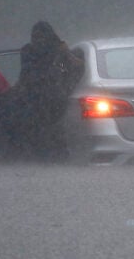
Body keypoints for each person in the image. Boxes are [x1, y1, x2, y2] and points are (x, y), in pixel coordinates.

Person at [7, 21, 84, 161]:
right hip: (45, 97)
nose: (39, 40)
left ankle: (43, 156)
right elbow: (76, 66)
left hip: (41, 98)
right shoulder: (53, 49)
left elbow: (24, 74)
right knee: (47, 130)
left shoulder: (33, 50)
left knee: (42, 130)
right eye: (37, 36)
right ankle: (50, 156)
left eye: (40, 36)